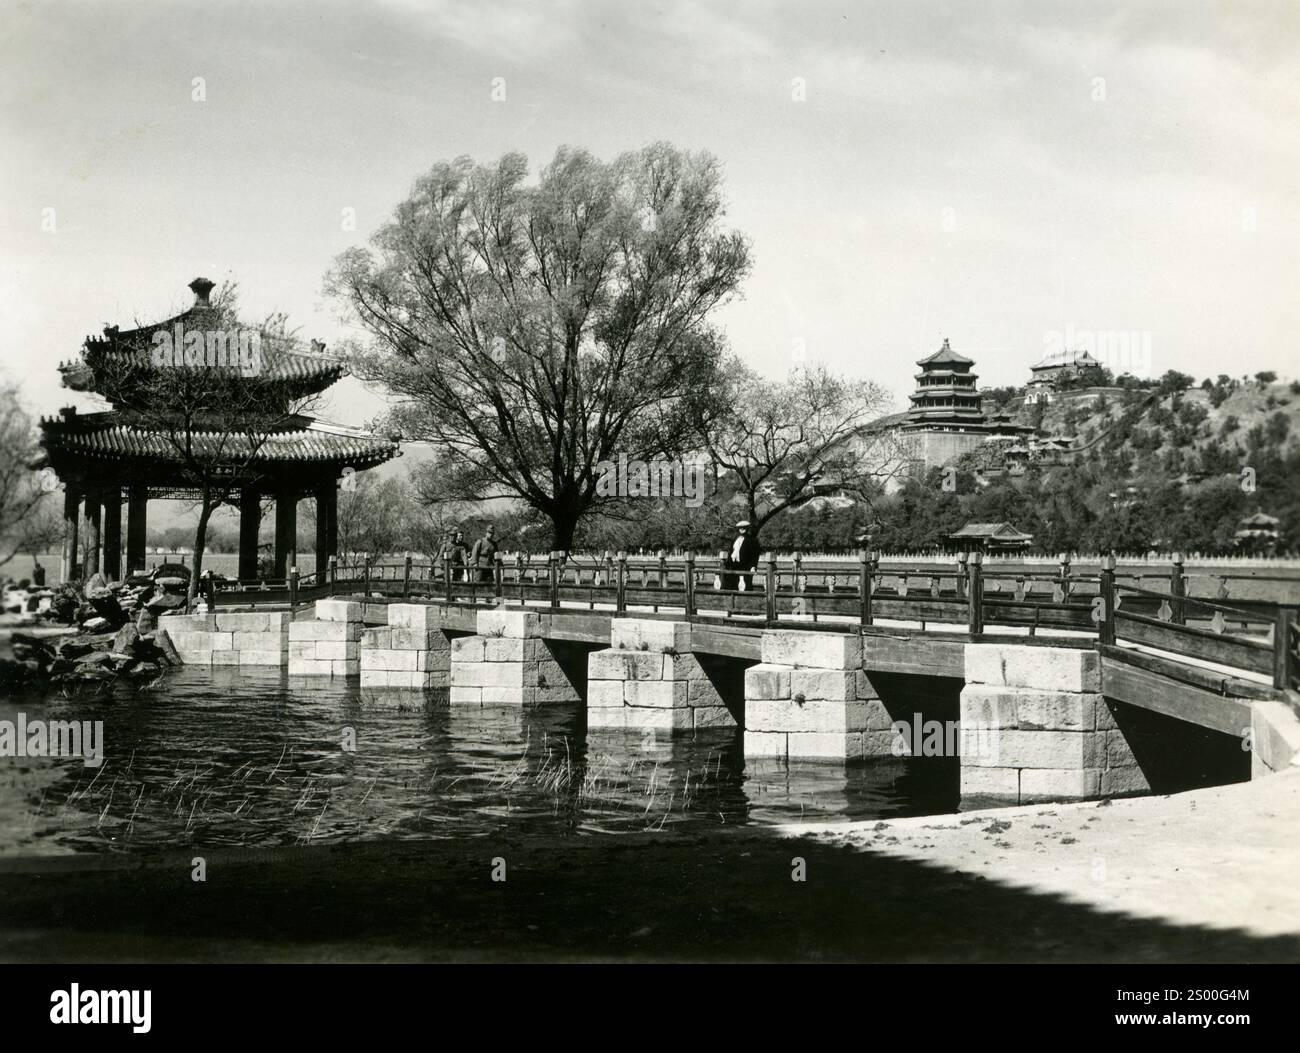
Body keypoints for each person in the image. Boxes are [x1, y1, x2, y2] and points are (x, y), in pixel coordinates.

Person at [722, 520, 761, 591]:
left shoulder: (752, 540)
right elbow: (731, 552)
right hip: (734, 566)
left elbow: (755, 555)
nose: (742, 529)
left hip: (745, 566)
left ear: (747, 528)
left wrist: (753, 566)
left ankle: (746, 600)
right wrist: (728, 564)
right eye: (740, 528)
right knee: (732, 586)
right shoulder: (735, 539)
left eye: (744, 528)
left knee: (745, 586)